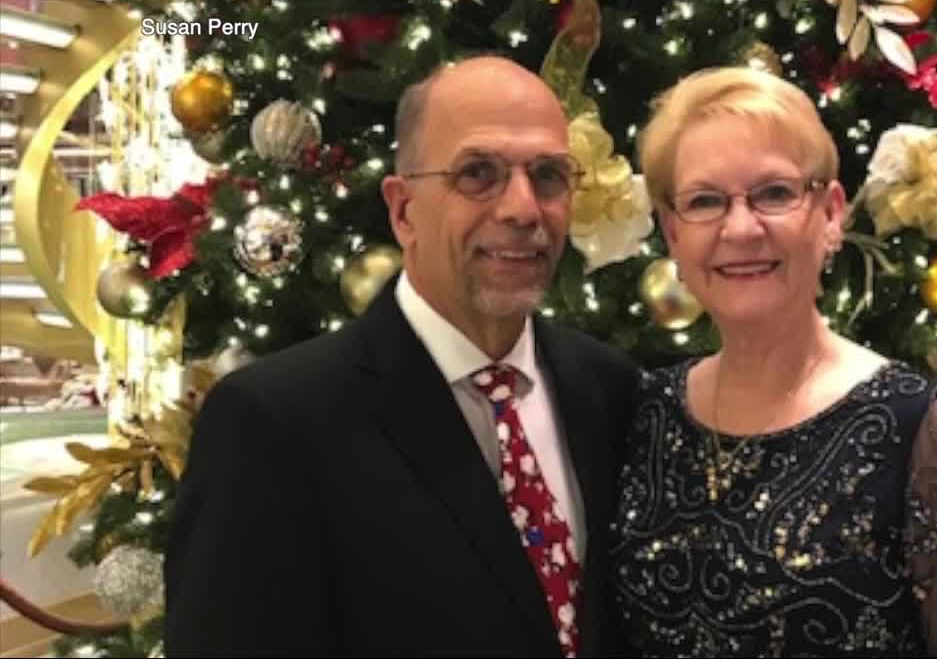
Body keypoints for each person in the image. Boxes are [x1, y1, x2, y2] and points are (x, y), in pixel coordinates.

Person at [165, 57, 639, 656]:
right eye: (478, 173)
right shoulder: (272, 423)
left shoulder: (609, 389)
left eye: (548, 175)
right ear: (403, 210)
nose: (523, 209)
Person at [610, 67, 937, 657]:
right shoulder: (649, 411)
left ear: (830, 213)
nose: (740, 228)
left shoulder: (913, 424)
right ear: (673, 233)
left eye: (774, 193)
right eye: (704, 201)